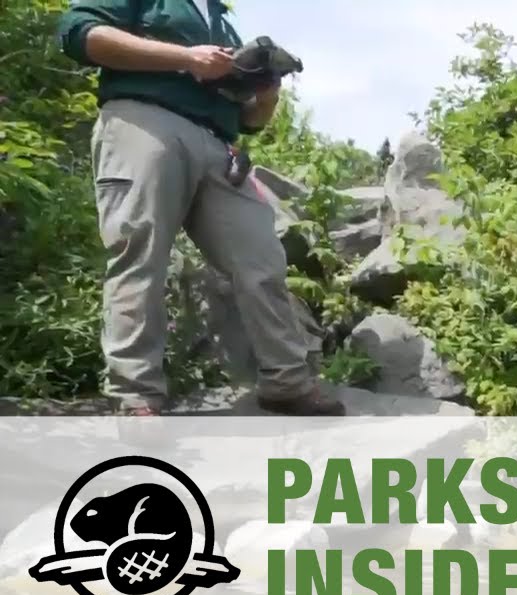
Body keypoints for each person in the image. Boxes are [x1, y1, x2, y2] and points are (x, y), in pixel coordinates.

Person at [55, 1, 344, 416]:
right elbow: (81, 35)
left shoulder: (221, 20)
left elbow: (249, 122)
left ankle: (287, 381)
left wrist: (266, 95)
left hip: (217, 142)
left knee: (262, 258)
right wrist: (188, 58)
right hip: (143, 119)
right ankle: (136, 396)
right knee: (141, 253)